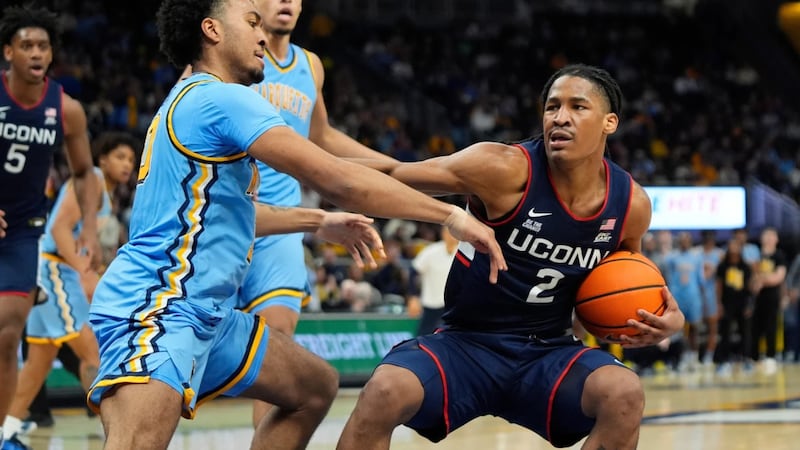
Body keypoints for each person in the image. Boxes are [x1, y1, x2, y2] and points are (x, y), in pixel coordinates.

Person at [86, 2, 506, 450]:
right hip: (159, 307)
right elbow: (338, 177)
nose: (262, 35)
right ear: (211, 30)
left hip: (208, 315)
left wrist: (319, 220)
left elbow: (232, 216)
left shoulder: (195, 98)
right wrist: (452, 215)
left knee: (313, 387)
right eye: (250, 23)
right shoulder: (220, 99)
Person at [336, 64, 685, 450]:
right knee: (383, 390)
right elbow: (395, 171)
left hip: (548, 351)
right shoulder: (501, 168)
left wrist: (664, 320)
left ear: (610, 122)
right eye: (552, 107)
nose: (560, 117)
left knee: (624, 392)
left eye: (577, 107)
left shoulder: (631, 204)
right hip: (465, 345)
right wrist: (294, 165)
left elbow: (629, 283)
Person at [184, 0, 399, 426]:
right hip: (224, 219)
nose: (286, 2)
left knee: (275, 341)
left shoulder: (311, 65)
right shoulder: (222, 59)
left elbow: (321, 137)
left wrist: (389, 167)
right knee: (189, 347)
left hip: (283, 226)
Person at [0, 6, 101, 449]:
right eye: (27, 45)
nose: (37, 53)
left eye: (43, 45)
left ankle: (2, 433)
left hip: (23, 232)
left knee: (8, 333)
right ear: (9, 52)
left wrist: (92, 229)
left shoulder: (67, 109)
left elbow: (83, 173)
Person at [2, 132, 137, 445]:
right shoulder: (91, 181)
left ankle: (4, 430)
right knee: (93, 351)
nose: (127, 164)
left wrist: (97, 267)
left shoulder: (106, 190)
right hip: (54, 271)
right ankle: (120, 433)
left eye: (130, 159)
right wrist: (85, 271)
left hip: (50, 270)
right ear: (102, 158)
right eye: (119, 156)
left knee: (39, 362)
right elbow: (60, 229)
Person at [664, 231, 705, 371]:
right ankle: (681, 358)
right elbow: (668, 278)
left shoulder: (697, 258)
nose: (684, 242)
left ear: (691, 241)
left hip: (693, 297)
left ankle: (694, 357)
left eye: (687, 239)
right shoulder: (671, 258)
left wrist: (703, 300)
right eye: (682, 240)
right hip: (677, 297)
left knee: (694, 328)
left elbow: (701, 280)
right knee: (678, 330)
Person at [713, 238, 754, 376]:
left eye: (736, 245)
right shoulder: (722, 266)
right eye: (731, 245)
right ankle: (724, 362)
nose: (734, 248)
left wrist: (749, 304)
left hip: (742, 303)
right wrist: (719, 304)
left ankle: (746, 360)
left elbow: (750, 287)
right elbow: (718, 286)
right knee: (725, 333)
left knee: (745, 333)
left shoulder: (745, 267)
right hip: (727, 303)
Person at [750, 227, 786, 375]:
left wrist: (762, 280)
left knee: (771, 325)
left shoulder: (779, 256)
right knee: (755, 327)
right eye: (767, 236)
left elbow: (779, 277)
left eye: (772, 236)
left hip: (772, 297)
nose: (769, 239)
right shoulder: (757, 254)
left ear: (776, 240)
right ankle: (754, 357)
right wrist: (756, 281)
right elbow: (752, 277)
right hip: (757, 298)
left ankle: (771, 357)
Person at [412, 226, 458, 335]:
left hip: (454, 305)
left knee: (452, 337)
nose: (451, 236)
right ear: (443, 234)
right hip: (431, 303)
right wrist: (413, 296)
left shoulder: (464, 253)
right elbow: (414, 271)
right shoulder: (431, 251)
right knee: (424, 337)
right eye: (448, 232)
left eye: (454, 233)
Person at [696, 230, 723, 365]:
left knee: (713, 327)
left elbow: (721, 280)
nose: (708, 240)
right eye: (706, 237)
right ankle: (694, 356)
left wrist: (720, 301)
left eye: (711, 237)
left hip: (713, 294)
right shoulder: (696, 254)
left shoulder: (719, 255)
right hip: (697, 295)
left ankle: (709, 356)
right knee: (695, 327)